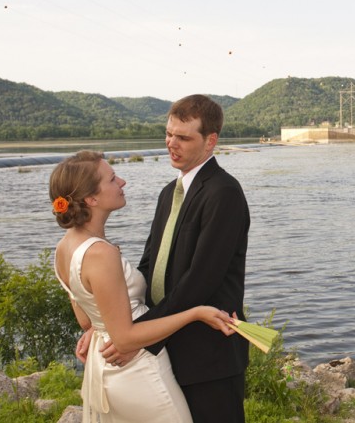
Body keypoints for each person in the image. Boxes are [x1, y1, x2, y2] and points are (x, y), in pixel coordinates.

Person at [50, 150, 235, 423]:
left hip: (107, 364)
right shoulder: (101, 254)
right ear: (92, 198)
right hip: (137, 367)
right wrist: (195, 313)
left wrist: (97, 328)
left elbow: (85, 317)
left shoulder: (64, 247)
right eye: (112, 179)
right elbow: (124, 339)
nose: (122, 182)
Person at [102, 94, 251, 422]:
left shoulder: (224, 193)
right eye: (169, 134)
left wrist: (138, 335)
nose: (171, 143)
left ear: (210, 141)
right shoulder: (169, 192)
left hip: (209, 355)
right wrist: (109, 326)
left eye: (183, 137)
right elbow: (148, 266)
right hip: (165, 349)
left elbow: (201, 281)